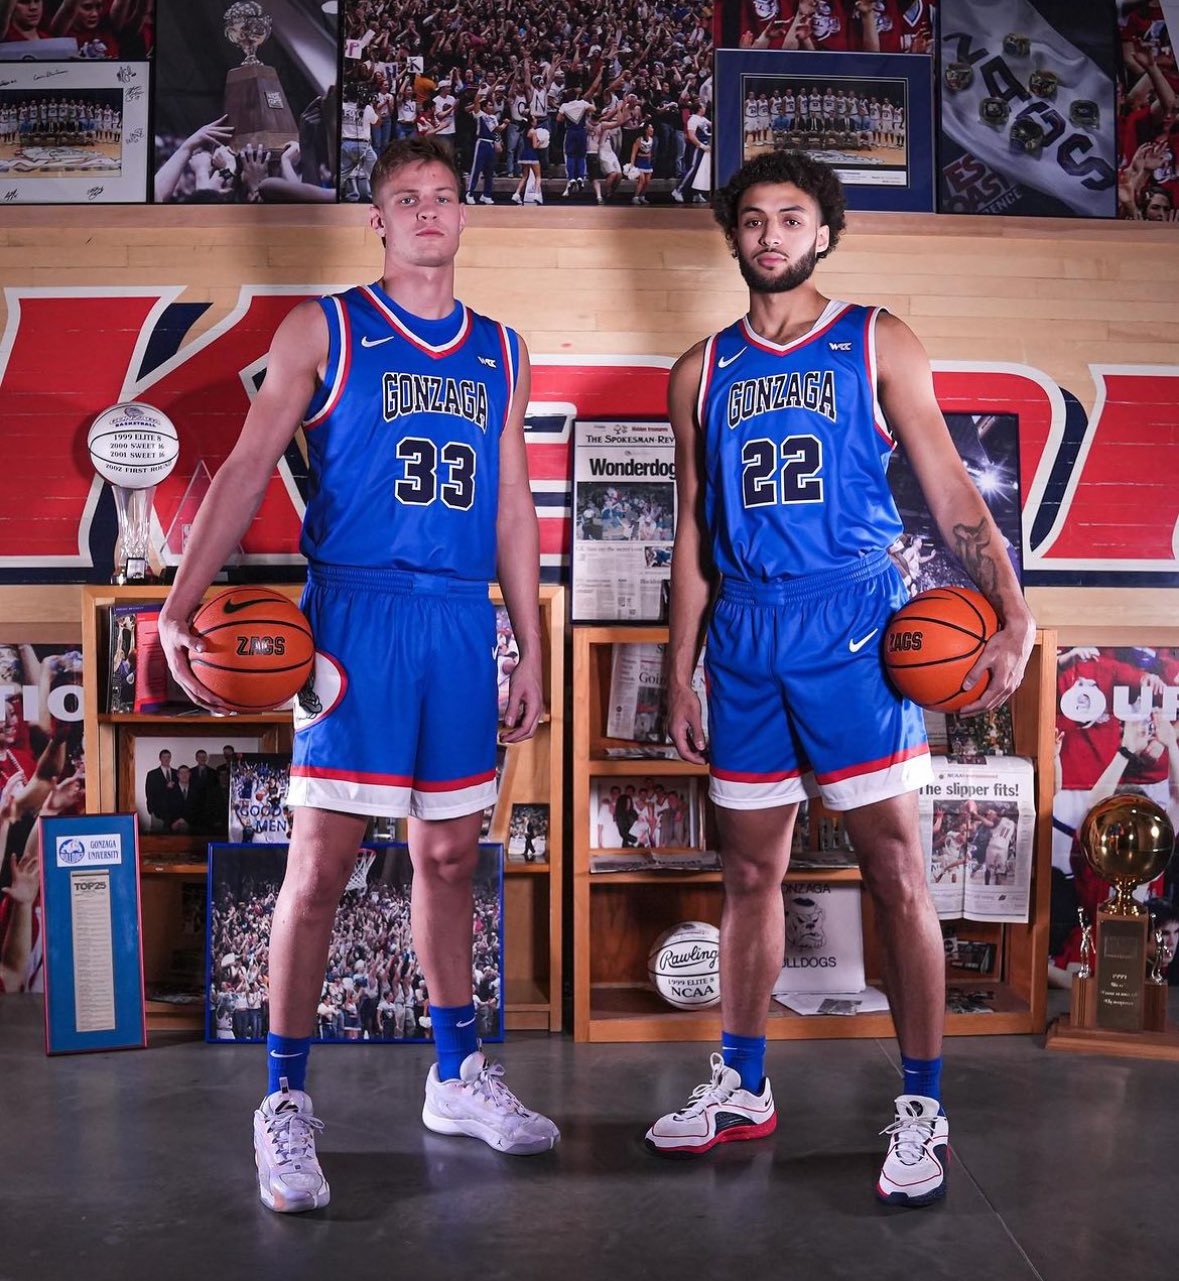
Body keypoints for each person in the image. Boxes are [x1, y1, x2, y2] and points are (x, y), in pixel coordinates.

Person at [157, 134, 558, 1216]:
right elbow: (248, 466)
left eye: (444, 196)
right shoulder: (324, 327)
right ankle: (284, 1100)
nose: (428, 211)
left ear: (464, 216)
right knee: (320, 865)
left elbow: (513, 506)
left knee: (449, 858)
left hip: (458, 624)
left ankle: (457, 1075)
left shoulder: (502, 350)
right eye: (406, 198)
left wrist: (529, 643)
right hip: (354, 619)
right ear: (377, 221)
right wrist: (179, 604)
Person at [648, 150, 1035, 1207]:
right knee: (746, 872)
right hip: (744, 631)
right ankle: (743, 1084)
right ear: (733, 236)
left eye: (791, 218)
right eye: (753, 219)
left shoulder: (875, 339)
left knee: (896, 868)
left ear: (823, 234)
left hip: (853, 621)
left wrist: (1013, 609)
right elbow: (693, 529)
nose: (770, 234)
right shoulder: (699, 370)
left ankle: (921, 1106)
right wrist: (680, 668)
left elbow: (947, 486)